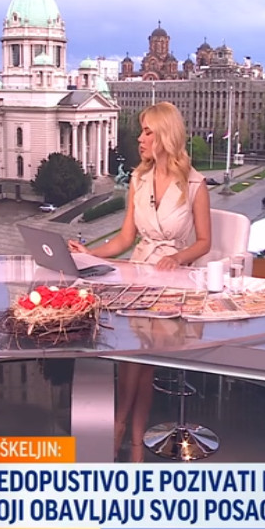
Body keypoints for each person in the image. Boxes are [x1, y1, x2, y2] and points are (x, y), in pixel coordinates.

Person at [69, 101, 211, 461]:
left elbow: (204, 242)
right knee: (131, 357)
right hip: (139, 274)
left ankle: (123, 433)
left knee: (141, 360)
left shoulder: (195, 184)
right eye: (142, 132)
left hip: (174, 280)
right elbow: (124, 240)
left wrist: (177, 258)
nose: (140, 139)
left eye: (147, 132)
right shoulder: (137, 180)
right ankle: (130, 441)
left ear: (165, 136)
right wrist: (87, 254)